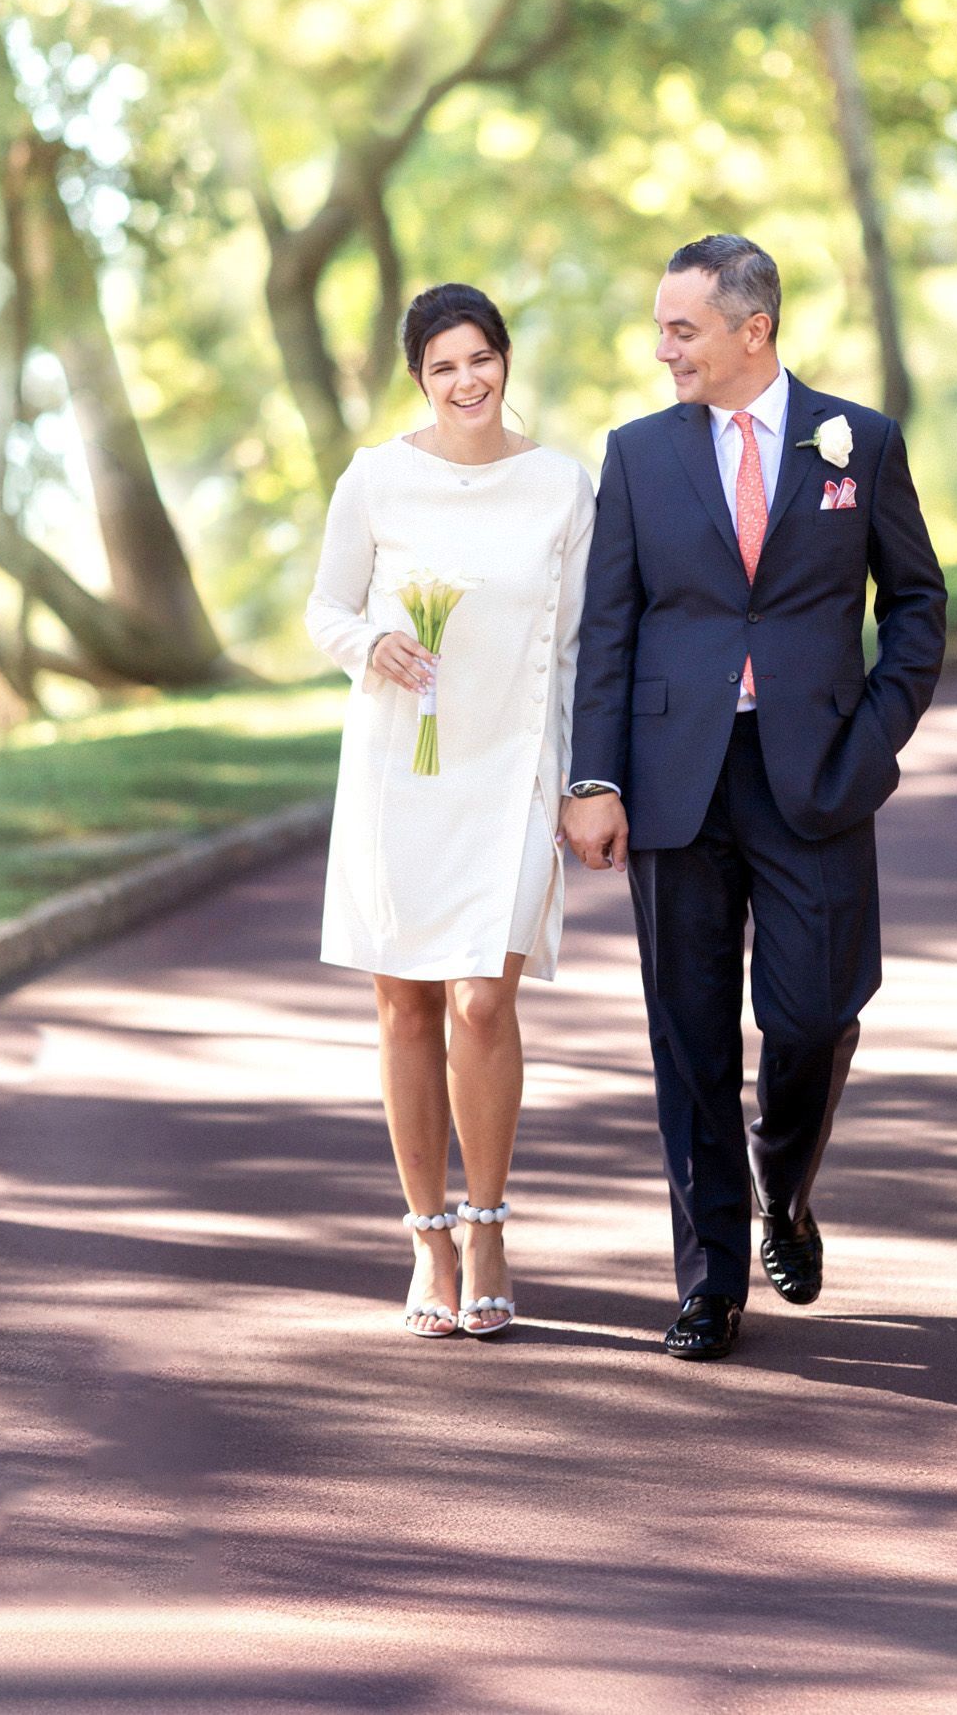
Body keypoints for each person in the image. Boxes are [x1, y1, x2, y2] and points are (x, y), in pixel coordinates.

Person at [563, 235, 945, 1361]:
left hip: (817, 775)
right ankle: (709, 1280)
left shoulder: (857, 441)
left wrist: (871, 740)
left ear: (753, 329)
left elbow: (917, 604)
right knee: (687, 1036)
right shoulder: (636, 455)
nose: (663, 346)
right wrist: (595, 777)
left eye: (681, 327)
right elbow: (609, 632)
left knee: (816, 1013)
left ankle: (786, 1186)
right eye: (661, 326)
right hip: (676, 781)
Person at [306, 283, 595, 1339]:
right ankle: (427, 1232)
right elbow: (326, 606)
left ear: (505, 359)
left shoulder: (564, 485)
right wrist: (367, 644)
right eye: (443, 367)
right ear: (418, 378)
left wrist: (580, 780)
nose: (466, 381)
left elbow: (576, 649)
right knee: (406, 1005)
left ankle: (489, 1223)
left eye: (480, 358)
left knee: (482, 998)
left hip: (510, 768)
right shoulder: (378, 478)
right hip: (399, 766)